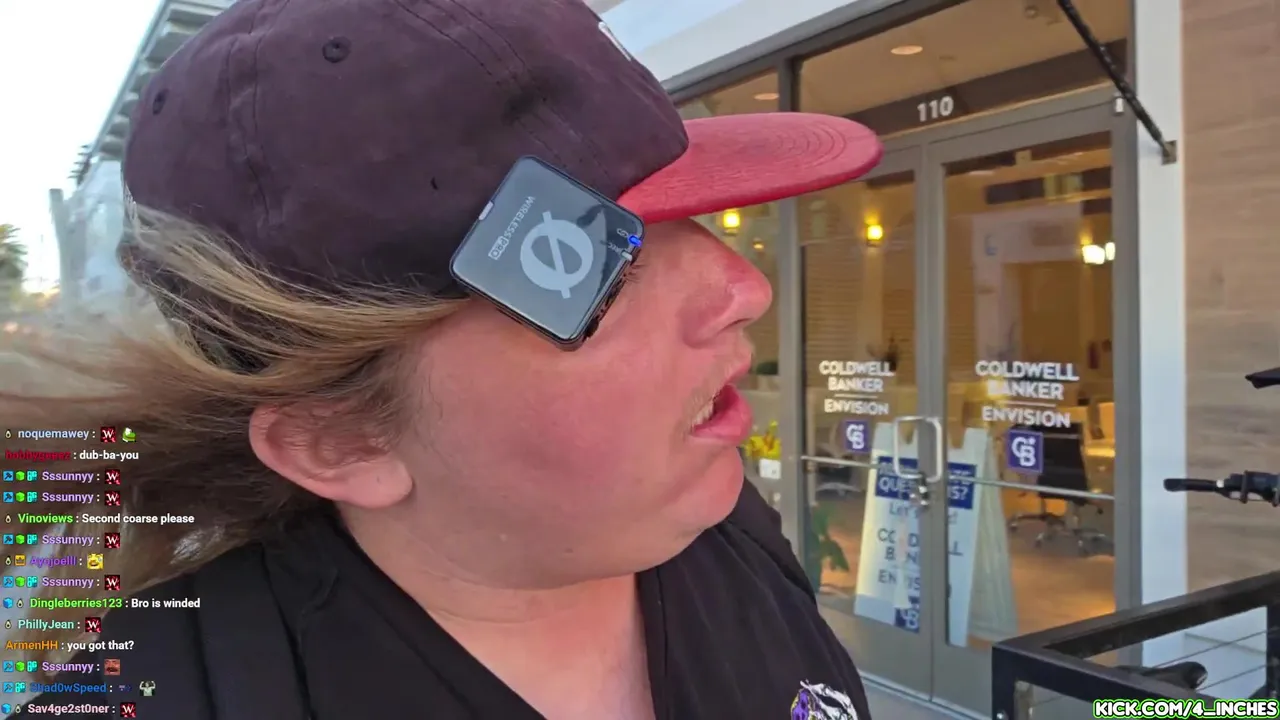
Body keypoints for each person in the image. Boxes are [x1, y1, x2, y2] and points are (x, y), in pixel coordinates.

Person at [6, 0, 883, 717]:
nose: (745, 286)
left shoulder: (725, 530)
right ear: (341, 440)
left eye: (691, 212)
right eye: (593, 268)